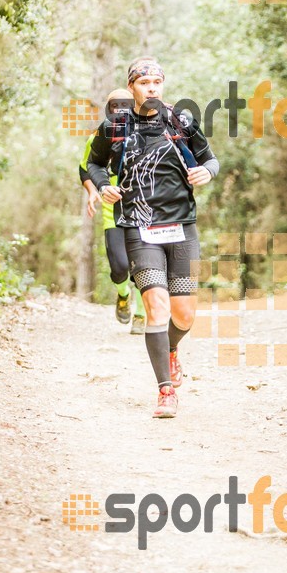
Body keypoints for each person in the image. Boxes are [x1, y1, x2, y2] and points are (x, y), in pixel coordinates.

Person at [87, 58, 219, 418]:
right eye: (144, 82)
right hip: (138, 227)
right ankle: (164, 391)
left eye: (157, 81)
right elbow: (94, 164)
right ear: (131, 87)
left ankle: (171, 350)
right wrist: (103, 187)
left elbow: (211, 159)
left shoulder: (182, 120)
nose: (152, 88)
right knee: (157, 308)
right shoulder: (115, 126)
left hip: (181, 227)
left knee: (185, 315)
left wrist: (206, 172)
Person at [79, 88, 146, 334]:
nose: (120, 110)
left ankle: (140, 314)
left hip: (143, 206)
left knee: (142, 264)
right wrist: (93, 190)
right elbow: (86, 167)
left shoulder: (145, 132)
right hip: (112, 208)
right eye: (114, 106)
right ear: (108, 109)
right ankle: (123, 294)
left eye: (125, 105)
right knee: (119, 267)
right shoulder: (102, 134)